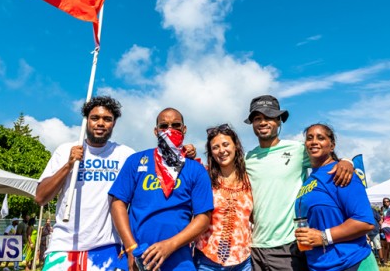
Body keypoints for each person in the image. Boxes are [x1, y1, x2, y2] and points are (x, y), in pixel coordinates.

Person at [243, 95, 354, 271]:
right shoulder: (247, 159)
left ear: (279, 121)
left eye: (269, 117)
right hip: (254, 247)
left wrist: (347, 161)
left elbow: (326, 158)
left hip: (289, 244)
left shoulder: (297, 150)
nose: (263, 122)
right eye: (257, 118)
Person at [35, 96, 136, 271]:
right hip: (64, 247)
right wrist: (68, 165)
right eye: (95, 118)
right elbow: (40, 198)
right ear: (86, 120)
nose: (100, 123)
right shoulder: (65, 151)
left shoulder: (125, 154)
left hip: (107, 247)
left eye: (107, 119)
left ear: (114, 123)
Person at [110, 107, 214, 271]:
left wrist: (170, 245)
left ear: (184, 129)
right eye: (164, 126)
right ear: (156, 131)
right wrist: (130, 248)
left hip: (179, 262)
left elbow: (203, 218)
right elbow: (118, 203)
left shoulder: (196, 169)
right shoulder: (136, 161)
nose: (169, 130)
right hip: (137, 259)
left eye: (176, 125)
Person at [293, 123, 377, 271]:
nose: (314, 142)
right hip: (319, 265)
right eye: (309, 138)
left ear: (332, 146)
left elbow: (364, 221)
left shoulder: (342, 174)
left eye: (320, 138)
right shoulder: (309, 179)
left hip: (351, 262)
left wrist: (324, 237)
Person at [195, 124, 253, 271]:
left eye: (226, 144)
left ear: (235, 146)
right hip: (208, 261)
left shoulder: (250, 178)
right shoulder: (204, 176)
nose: (221, 150)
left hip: (243, 262)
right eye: (215, 147)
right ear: (211, 152)